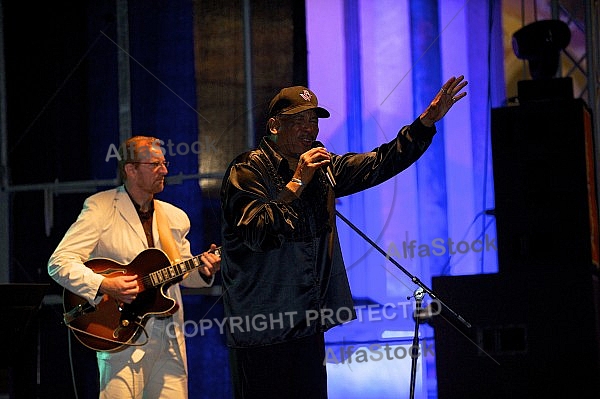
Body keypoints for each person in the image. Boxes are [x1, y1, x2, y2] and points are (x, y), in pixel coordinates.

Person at [219, 77, 468, 398]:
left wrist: (425, 124)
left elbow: (380, 161)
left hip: (307, 323)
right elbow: (257, 231)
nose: (309, 128)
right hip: (262, 330)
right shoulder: (248, 169)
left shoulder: (323, 168)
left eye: (313, 120)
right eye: (298, 120)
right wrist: (297, 182)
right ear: (274, 125)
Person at [48, 135, 221, 399]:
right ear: (131, 169)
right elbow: (59, 262)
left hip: (169, 340)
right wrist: (105, 284)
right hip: (120, 336)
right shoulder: (101, 207)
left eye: (164, 163)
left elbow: (182, 272)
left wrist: (204, 269)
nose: (164, 170)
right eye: (155, 164)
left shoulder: (175, 216)